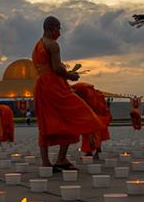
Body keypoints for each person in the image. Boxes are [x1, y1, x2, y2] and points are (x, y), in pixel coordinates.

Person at [32, 16, 103, 171]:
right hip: (55, 86)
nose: (60, 32)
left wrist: (64, 72)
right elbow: (57, 69)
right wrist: (71, 76)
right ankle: (61, 158)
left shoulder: (37, 46)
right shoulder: (53, 45)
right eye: (58, 28)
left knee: (45, 123)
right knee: (74, 116)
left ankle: (46, 163)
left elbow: (48, 67)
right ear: (51, 28)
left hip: (42, 85)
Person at [71, 82, 112, 159]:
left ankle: (91, 151)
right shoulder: (92, 95)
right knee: (94, 133)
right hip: (97, 116)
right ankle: (95, 150)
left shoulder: (88, 95)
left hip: (95, 116)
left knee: (92, 133)